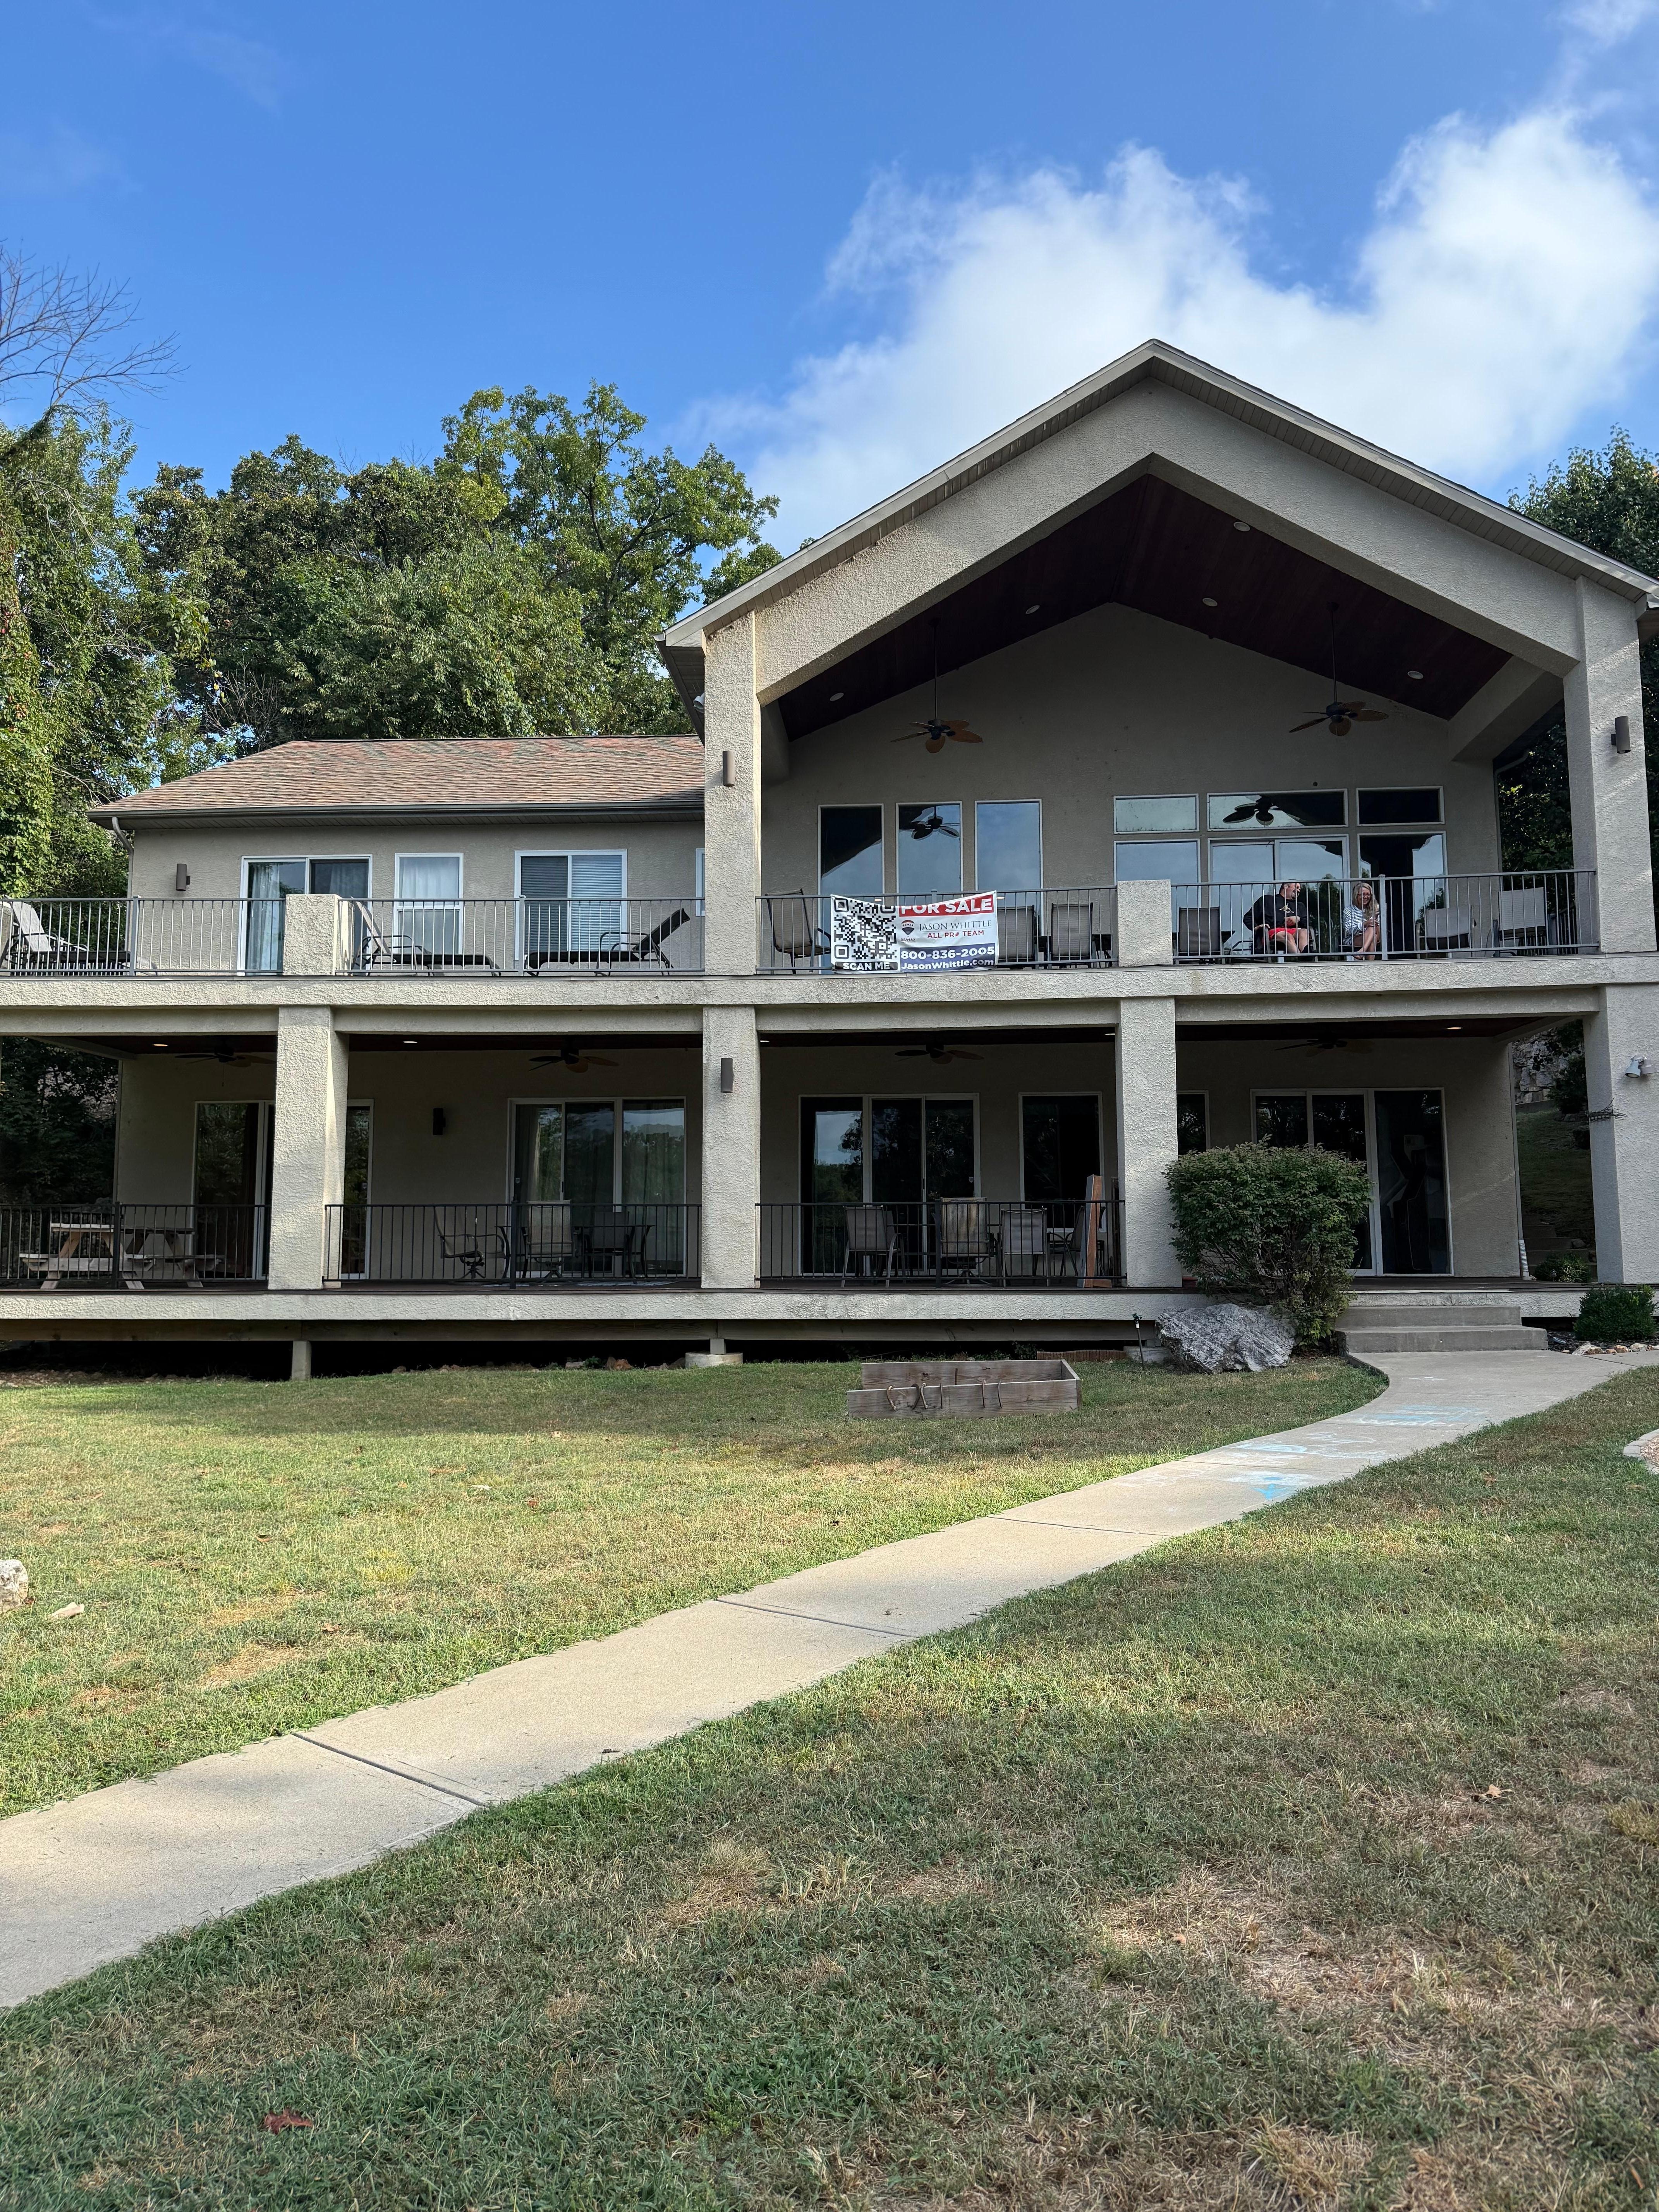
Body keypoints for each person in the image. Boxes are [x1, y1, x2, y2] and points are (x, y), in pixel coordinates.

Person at [1245, 880, 1310, 956]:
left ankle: (1306, 956)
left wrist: (1298, 919)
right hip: (1274, 931)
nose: (1299, 890)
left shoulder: (1300, 906)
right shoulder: (1268, 900)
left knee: (1304, 932)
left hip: (1294, 930)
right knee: (1287, 936)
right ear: (1286, 886)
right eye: (1297, 887)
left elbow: (1308, 922)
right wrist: (1256, 927)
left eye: (1300, 889)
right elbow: (1248, 918)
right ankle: (1302, 959)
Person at [1343, 877, 1382, 958]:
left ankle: (1361, 953)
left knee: (1373, 930)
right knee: (1372, 933)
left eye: (1368, 895)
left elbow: (1379, 934)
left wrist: (1375, 919)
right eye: (1363, 895)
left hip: (1375, 936)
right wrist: (1364, 924)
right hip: (1354, 939)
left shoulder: (1375, 908)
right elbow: (1349, 931)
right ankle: (1370, 966)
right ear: (1357, 896)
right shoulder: (1349, 910)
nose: (1366, 897)